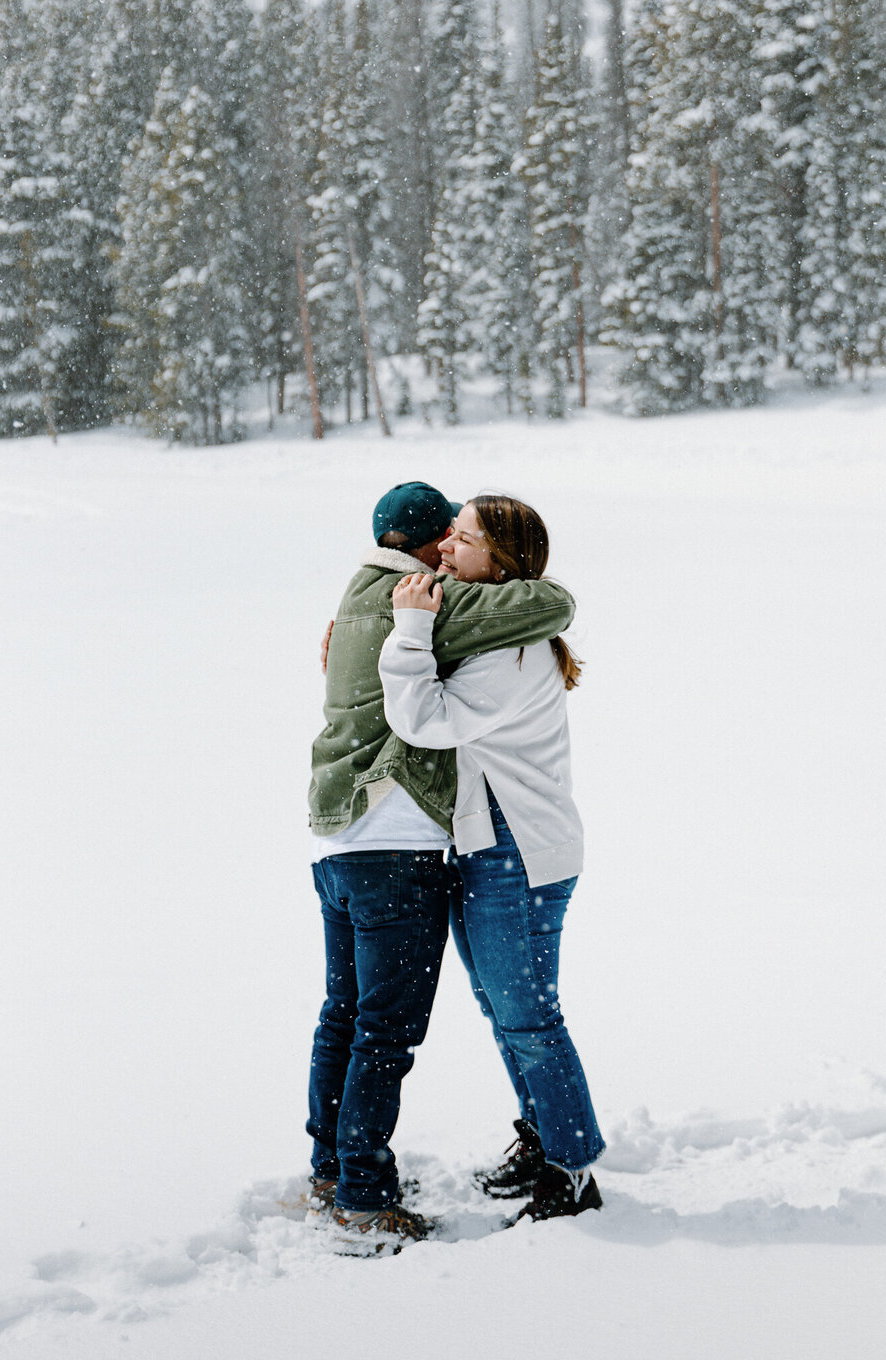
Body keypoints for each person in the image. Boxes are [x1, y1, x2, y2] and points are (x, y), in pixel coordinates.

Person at [308, 481, 576, 1252]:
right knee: (385, 1034)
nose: (450, 557)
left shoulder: (358, 594)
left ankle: (331, 1170)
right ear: (426, 547)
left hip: (338, 844)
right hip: (398, 848)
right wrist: (428, 615)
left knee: (344, 1019)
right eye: (449, 539)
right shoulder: (420, 601)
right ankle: (363, 1198)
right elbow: (548, 606)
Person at [378, 492, 604, 1222]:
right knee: (508, 1012)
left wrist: (408, 628)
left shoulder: (510, 651)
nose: (444, 547)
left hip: (520, 851)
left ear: (499, 564)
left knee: (530, 1018)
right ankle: (542, 1136)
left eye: (462, 539)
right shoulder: (489, 631)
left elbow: (425, 719)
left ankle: (571, 1169)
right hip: (488, 845)